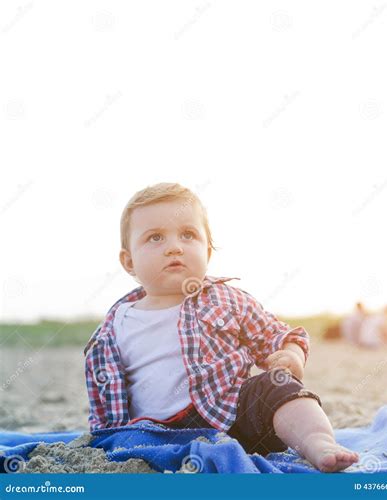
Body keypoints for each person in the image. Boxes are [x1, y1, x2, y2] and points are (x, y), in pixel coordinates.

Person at [83, 182, 359, 473]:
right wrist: (107, 437)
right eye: (155, 238)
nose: (174, 247)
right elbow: (104, 397)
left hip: (233, 416)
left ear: (208, 252)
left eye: (188, 235)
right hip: (152, 433)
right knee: (127, 438)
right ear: (129, 262)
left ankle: (318, 441)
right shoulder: (114, 327)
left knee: (275, 386)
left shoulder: (227, 300)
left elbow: (276, 334)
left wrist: (291, 354)